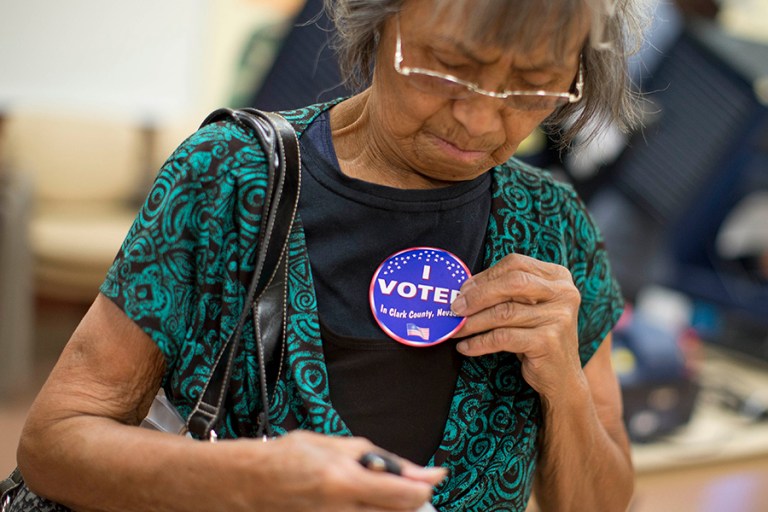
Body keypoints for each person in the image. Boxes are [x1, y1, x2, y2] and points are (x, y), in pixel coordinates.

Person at [14, 0, 647, 510]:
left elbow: (603, 499)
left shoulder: (552, 226)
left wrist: (564, 386)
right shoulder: (230, 178)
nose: (480, 121)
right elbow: (55, 442)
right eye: (446, 67)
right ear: (378, 21)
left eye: (532, 88)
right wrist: (246, 479)